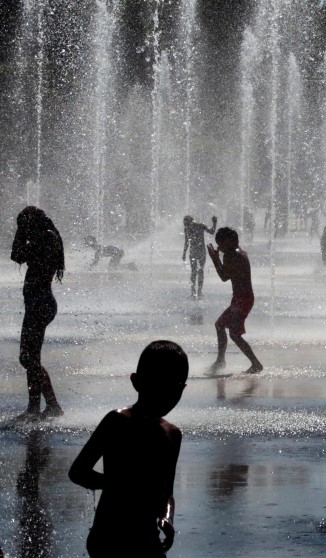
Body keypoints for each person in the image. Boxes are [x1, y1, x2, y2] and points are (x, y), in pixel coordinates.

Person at [69, 340, 188, 558]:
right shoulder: (117, 421)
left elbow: (167, 492)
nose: (166, 396)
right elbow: (77, 471)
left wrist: (167, 518)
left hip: (146, 537)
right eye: (158, 385)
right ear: (137, 382)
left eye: (174, 388)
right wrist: (117, 484)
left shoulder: (173, 435)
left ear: (182, 388)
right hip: (108, 534)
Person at [10, 206, 65, 421]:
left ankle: (38, 408)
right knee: (29, 357)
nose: (23, 230)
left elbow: (16, 254)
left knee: (29, 357)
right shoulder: (46, 236)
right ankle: (49, 406)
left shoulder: (46, 238)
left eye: (24, 225)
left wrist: (20, 233)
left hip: (40, 304)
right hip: (37, 303)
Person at [207, 227, 263, 374]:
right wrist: (218, 258)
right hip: (241, 298)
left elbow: (224, 277)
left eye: (221, 244)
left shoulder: (233, 256)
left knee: (234, 334)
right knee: (220, 325)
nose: (219, 247)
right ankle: (220, 361)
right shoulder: (237, 252)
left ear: (229, 241)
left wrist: (215, 259)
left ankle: (256, 364)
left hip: (243, 299)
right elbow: (227, 275)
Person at [182, 215, 217, 298]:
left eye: (187, 223)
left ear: (192, 221)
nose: (186, 226)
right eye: (185, 224)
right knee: (193, 272)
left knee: (200, 271)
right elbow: (186, 242)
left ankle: (200, 291)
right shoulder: (186, 229)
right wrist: (184, 253)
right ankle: (193, 292)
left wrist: (214, 223)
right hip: (193, 252)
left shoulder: (200, 226)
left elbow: (211, 232)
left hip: (201, 251)